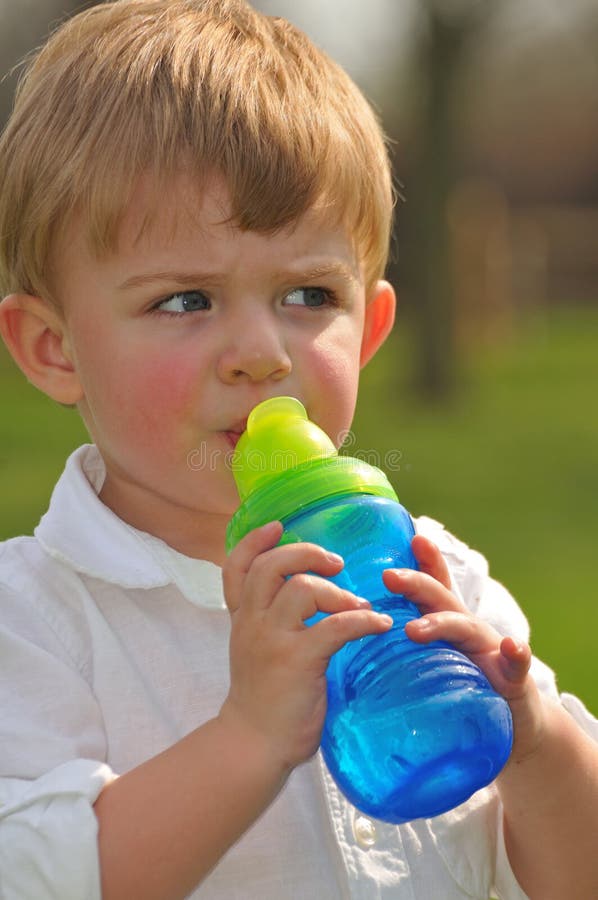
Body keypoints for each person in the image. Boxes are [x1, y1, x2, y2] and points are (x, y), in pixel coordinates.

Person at [0, 1, 596, 897]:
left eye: (310, 295)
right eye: (186, 301)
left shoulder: (438, 580)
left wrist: (536, 741)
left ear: (370, 328)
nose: (263, 353)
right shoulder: (36, 624)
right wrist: (248, 734)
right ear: (55, 349)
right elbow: (40, 877)